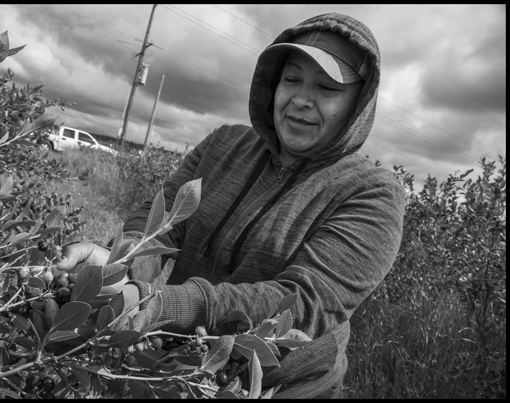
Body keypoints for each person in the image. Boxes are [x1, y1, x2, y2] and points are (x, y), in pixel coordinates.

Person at [56, 12, 405, 399]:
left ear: (359, 103)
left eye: (326, 87)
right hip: (177, 366)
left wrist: (157, 303)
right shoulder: (224, 145)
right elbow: (162, 225)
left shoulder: (373, 194)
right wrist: (114, 262)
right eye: (291, 80)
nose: (302, 100)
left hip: (277, 387)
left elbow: (304, 304)